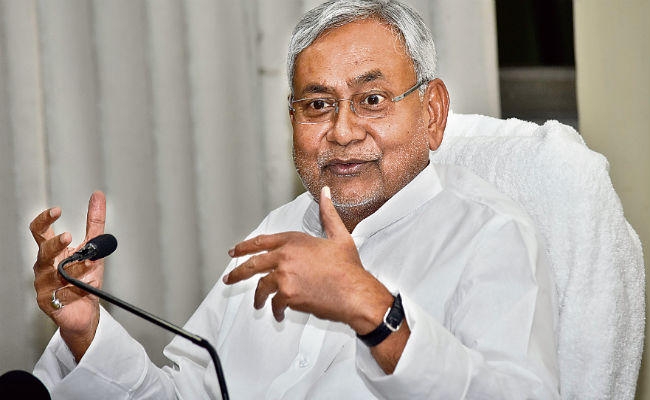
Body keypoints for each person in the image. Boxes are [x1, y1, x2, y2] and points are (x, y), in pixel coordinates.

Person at [30, 0, 560, 398]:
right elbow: (185, 393)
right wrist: (86, 333)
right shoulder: (278, 231)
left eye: (372, 99)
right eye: (318, 105)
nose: (343, 131)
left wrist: (374, 309)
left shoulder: (489, 235)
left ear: (433, 112)